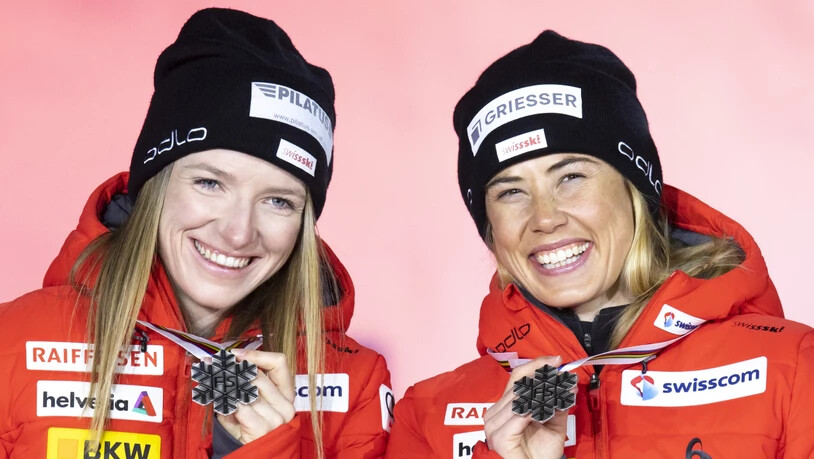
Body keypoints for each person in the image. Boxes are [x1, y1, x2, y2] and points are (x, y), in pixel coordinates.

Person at [386, 30, 814, 458]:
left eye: (571, 177)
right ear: (490, 229)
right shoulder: (427, 418)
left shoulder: (791, 371)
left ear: (636, 192)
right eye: (510, 192)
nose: (545, 217)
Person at [0, 8, 393, 459]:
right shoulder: (11, 343)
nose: (238, 232)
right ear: (156, 185)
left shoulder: (354, 383)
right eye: (210, 183)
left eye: (278, 201)